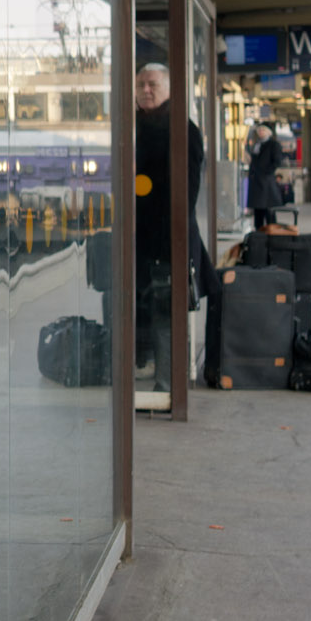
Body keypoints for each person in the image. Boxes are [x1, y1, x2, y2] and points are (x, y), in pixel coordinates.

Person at [133, 63, 206, 391]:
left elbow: (185, 194)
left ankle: (167, 385)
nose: (146, 90)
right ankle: (142, 366)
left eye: (153, 85)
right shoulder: (132, 125)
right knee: (141, 308)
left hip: (166, 239)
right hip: (137, 240)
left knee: (164, 313)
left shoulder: (182, 129)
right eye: (141, 85)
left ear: (170, 89)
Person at [244, 122, 284, 229]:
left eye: (264, 130)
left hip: (267, 184)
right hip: (256, 183)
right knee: (258, 214)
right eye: (260, 130)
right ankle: (259, 236)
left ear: (269, 132)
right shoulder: (256, 145)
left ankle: (272, 236)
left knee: (269, 213)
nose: (261, 132)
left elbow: (277, 162)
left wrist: (266, 172)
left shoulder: (273, 145)